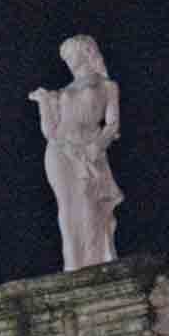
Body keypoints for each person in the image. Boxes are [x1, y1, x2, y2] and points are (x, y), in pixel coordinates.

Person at [29, 34, 123, 271]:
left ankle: (95, 261)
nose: (68, 60)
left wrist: (97, 146)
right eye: (65, 57)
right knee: (67, 207)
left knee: (88, 203)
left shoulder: (107, 86)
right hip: (60, 150)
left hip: (89, 149)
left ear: (87, 52)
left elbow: (112, 125)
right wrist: (44, 103)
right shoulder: (61, 92)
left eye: (71, 54)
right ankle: (73, 264)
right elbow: (50, 131)